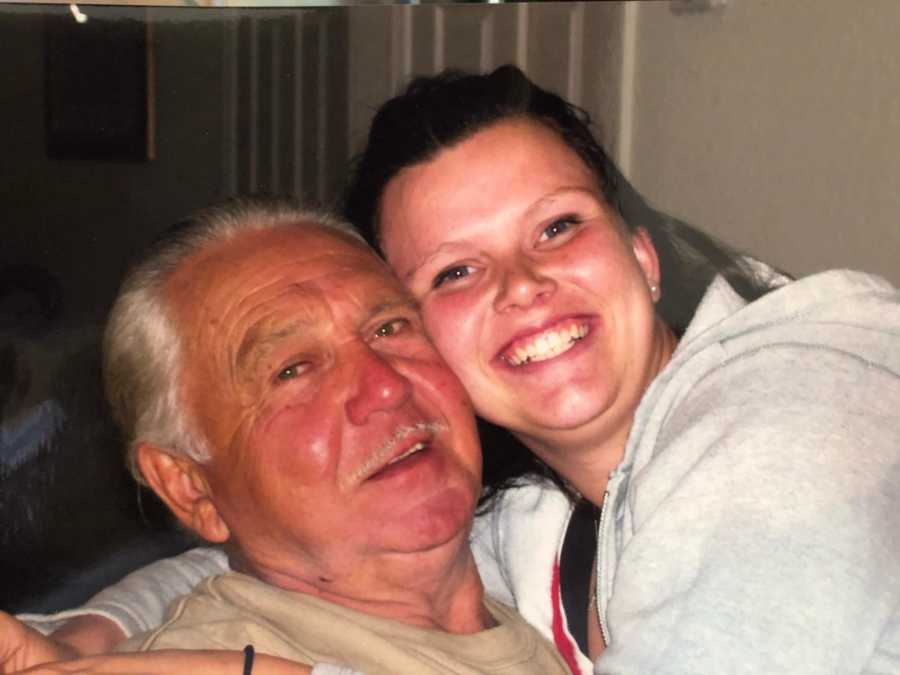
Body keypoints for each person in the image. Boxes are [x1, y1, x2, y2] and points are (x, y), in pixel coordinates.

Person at [14, 65, 900, 673]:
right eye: (454, 273)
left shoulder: (794, 403)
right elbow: (249, 562)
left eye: (558, 226)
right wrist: (89, 632)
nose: (523, 286)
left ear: (645, 258)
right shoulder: (530, 527)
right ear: (188, 487)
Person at [1, 198, 571, 675]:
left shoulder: (548, 567)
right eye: (293, 370)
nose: (385, 387)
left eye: (389, 327)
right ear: (189, 488)